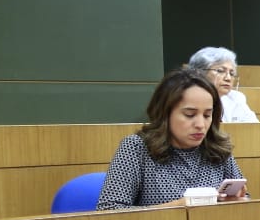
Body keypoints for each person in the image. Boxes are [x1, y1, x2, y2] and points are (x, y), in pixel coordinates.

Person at [97, 69, 248, 209]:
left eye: (207, 115)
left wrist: (236, 201)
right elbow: (109, 210)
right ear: (165, 113)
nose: (201, 125)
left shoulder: (218, 148)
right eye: (190, 115)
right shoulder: (136, 148)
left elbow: (245, 200)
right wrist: (177, 207)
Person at [188, 47, 258, 123]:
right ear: (199, 73)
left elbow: (254, 127)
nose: (228, 78)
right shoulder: (186, 98)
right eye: (220, 71)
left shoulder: (236, 98)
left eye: (232, 73)